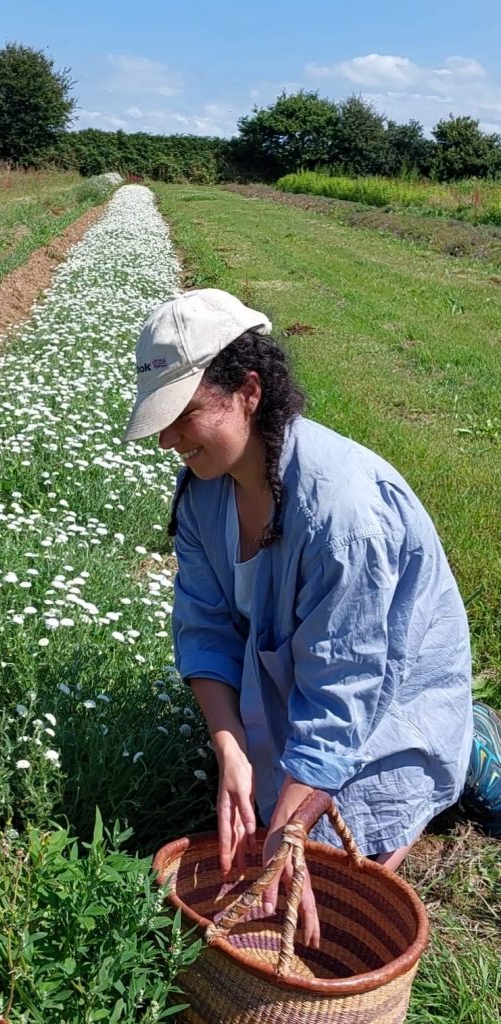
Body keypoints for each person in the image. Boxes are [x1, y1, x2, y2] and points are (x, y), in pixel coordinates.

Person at [123, 288, 501, 948]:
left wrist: (294, 826)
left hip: (389, 689)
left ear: (248, 390)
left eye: (183, 413)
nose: (165, 439)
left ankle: (464, 745)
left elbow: (347, 681)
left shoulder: (341, 515)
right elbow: (204, 624)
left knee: (323, 870)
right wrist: (230, 750)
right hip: (291, 676)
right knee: (266, 832)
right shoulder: (203, 495)